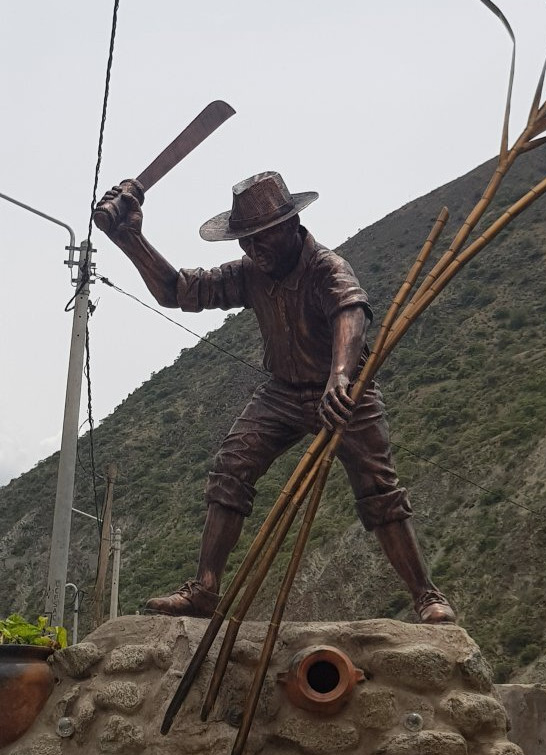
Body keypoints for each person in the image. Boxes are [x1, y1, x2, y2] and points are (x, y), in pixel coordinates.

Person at [95, 171, 455, 624]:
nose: (250, 250)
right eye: (244, 241)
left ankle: (425, 594)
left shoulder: (327, 266)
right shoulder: (251, 273)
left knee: (379, 489)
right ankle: (205, 589)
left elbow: (351, 312)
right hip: (282, 393)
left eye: (259, 239)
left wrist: (340, 377)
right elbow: (177, 291)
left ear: (290, 227)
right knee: (231, 467)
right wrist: (131, 239)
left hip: (346, 392)